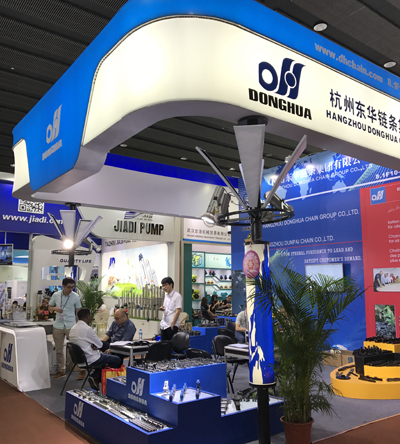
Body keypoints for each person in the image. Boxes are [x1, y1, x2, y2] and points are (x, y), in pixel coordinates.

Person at [69, 308, 121, 391]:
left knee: (104, 359)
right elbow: (100, 344)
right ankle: (95, 376)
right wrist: (96, 345)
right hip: (90, 358)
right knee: (116, 359)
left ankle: (96, 378)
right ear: (87, 316)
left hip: (78, 359)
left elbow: (82, 342)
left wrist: (92, 344)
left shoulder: (73, 328)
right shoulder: (87, 329)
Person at [49, 277, 82, 379]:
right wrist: (55, 308)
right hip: (58, 325)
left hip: (71, 325)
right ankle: (61, 370)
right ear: (63, 286)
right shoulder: (56, 295)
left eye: (72, 287)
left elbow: (78, 311)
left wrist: (79, 325)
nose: (71, 289)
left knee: (76, 347)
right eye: (68, 287)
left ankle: (80, 368)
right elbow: (49, 307)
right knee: (59, 350)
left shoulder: (75, 296)